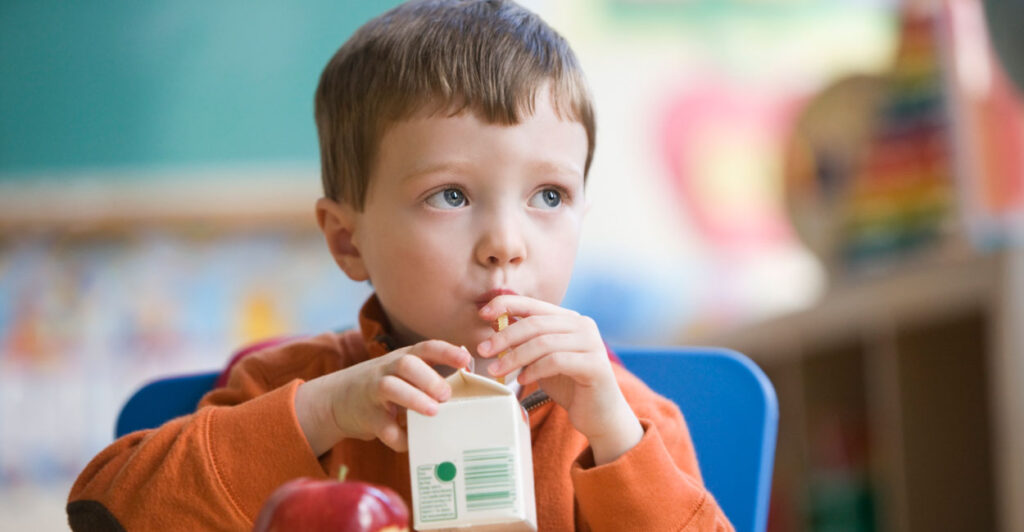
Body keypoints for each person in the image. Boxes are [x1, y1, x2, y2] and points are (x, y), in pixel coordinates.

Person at [67, 1, 733, 530]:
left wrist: (615, 436)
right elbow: (108, 511)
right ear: (348, 241)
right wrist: (319, 415)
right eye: (451, 195)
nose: (507, 242)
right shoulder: (294, 388)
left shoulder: (622, 416)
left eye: (548, 196)